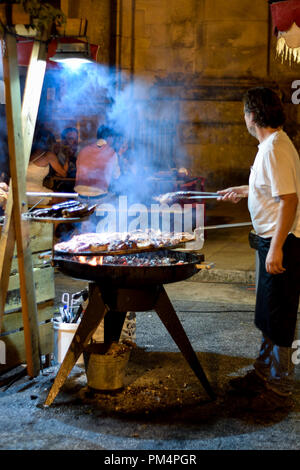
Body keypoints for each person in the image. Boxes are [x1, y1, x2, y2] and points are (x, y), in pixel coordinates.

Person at [218, 87, 300, 411]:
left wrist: (276, 248)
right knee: (267, 315)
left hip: (283, 243)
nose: (244, 118)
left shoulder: (276, 147)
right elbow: (269, 188)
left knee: (278, 318)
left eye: (244, 113)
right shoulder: (270, 145)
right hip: (271, 241)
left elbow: (290, 200)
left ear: (253, 115)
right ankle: (262, 373)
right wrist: (243, 190)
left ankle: (280, 389)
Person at [74, 125, 120, 201]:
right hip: (99, 198)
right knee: (117, 200)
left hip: (79, 196)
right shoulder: (111, 152)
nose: (113, 140)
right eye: (113, 137)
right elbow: (116, 176)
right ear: (109, 137)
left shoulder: (83, 150)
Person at [26, 127, 68, 206]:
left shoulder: (29, 153)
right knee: (65, 199)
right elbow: (63, 174)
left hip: (22, 192)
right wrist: (67, 157)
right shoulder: (48, 155)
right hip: (34, 193)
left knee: (55, 192)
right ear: (50, 143)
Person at [47, 127, 79, 193]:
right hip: (61, 190)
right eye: (71, 139)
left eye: (76, 139)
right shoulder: (57, 154)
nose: (76, 142)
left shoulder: (80, 153)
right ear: (64, 141)